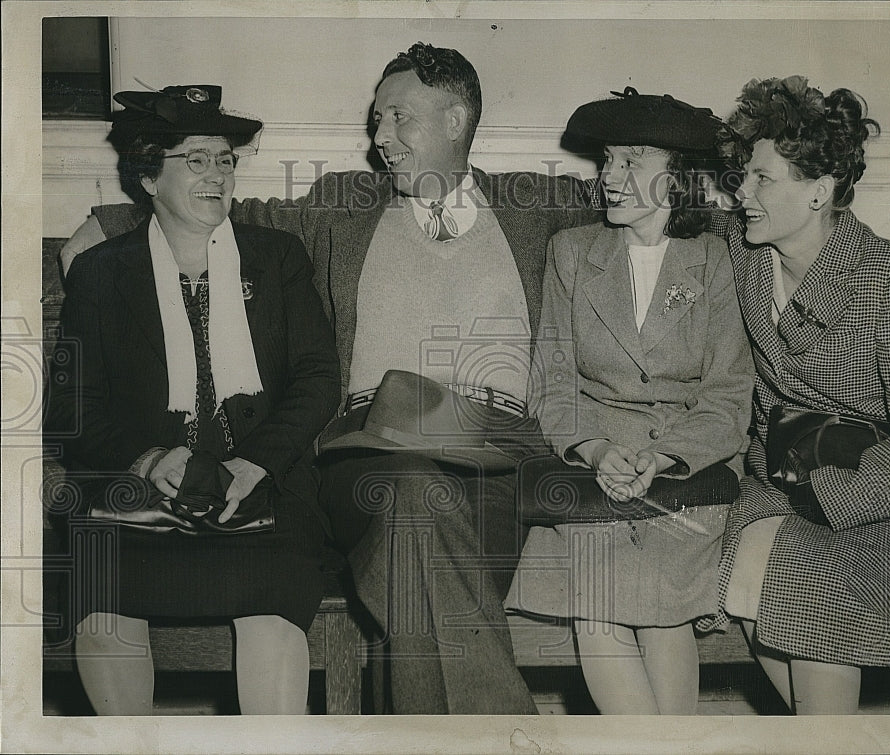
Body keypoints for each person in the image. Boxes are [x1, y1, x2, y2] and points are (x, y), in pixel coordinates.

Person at [61, 44, 601, 714]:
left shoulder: (539, 206)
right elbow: (226, 211)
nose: (379, 138)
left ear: (456, 119)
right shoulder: (342, 204)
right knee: (410, 493)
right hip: (366, 454)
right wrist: (110, 220)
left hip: (496, 456)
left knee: (420, 525)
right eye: (377, 120)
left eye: (398, 118)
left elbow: (650, 220)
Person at [45, 85, 340, 715]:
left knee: (272, 608)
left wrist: (258, 460)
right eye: (196, 160)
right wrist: (150, 459)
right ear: (149, 175)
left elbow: (318, 377)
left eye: (225, 160)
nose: (217, 176)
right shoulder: (101, 273)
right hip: (140, 490)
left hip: (262, 483)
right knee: (99, 603)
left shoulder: (279, 257)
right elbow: (73, 409)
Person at [699, 75, 890, 714]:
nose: (741, 192)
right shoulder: (746, 267)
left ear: (820, 191)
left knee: (805, 573)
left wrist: (827, 497)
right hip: (786, 481)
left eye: (763, 178)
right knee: (741, 568)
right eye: (743, 174)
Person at [504, 89, 754, 714]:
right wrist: (595, 449)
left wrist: (665, 458)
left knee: (663, 613)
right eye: (608, 161)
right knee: (599, 609)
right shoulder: (572, 252)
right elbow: (552, 384)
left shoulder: (719, 259)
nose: (609, 178)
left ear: (681, 178)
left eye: (632, 162)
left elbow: (729, 394)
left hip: (684, 474)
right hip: (594, 469)